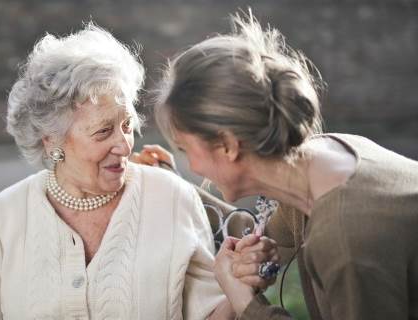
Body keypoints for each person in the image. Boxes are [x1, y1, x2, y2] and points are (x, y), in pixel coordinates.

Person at [0, 24, 277, 320]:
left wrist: (240, 285)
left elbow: (207, 315)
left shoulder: (171, 197)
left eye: (126, 126)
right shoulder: (0, 218)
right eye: (103, 132)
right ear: (52, 139)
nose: (124, 145)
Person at [152, 12, 418, 320]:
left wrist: (246, 303)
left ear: (227, 145)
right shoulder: (323, 159)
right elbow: (264, 235)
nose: (193, 166)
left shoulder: (346, 242)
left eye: (186, 149)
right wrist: (167, 184)